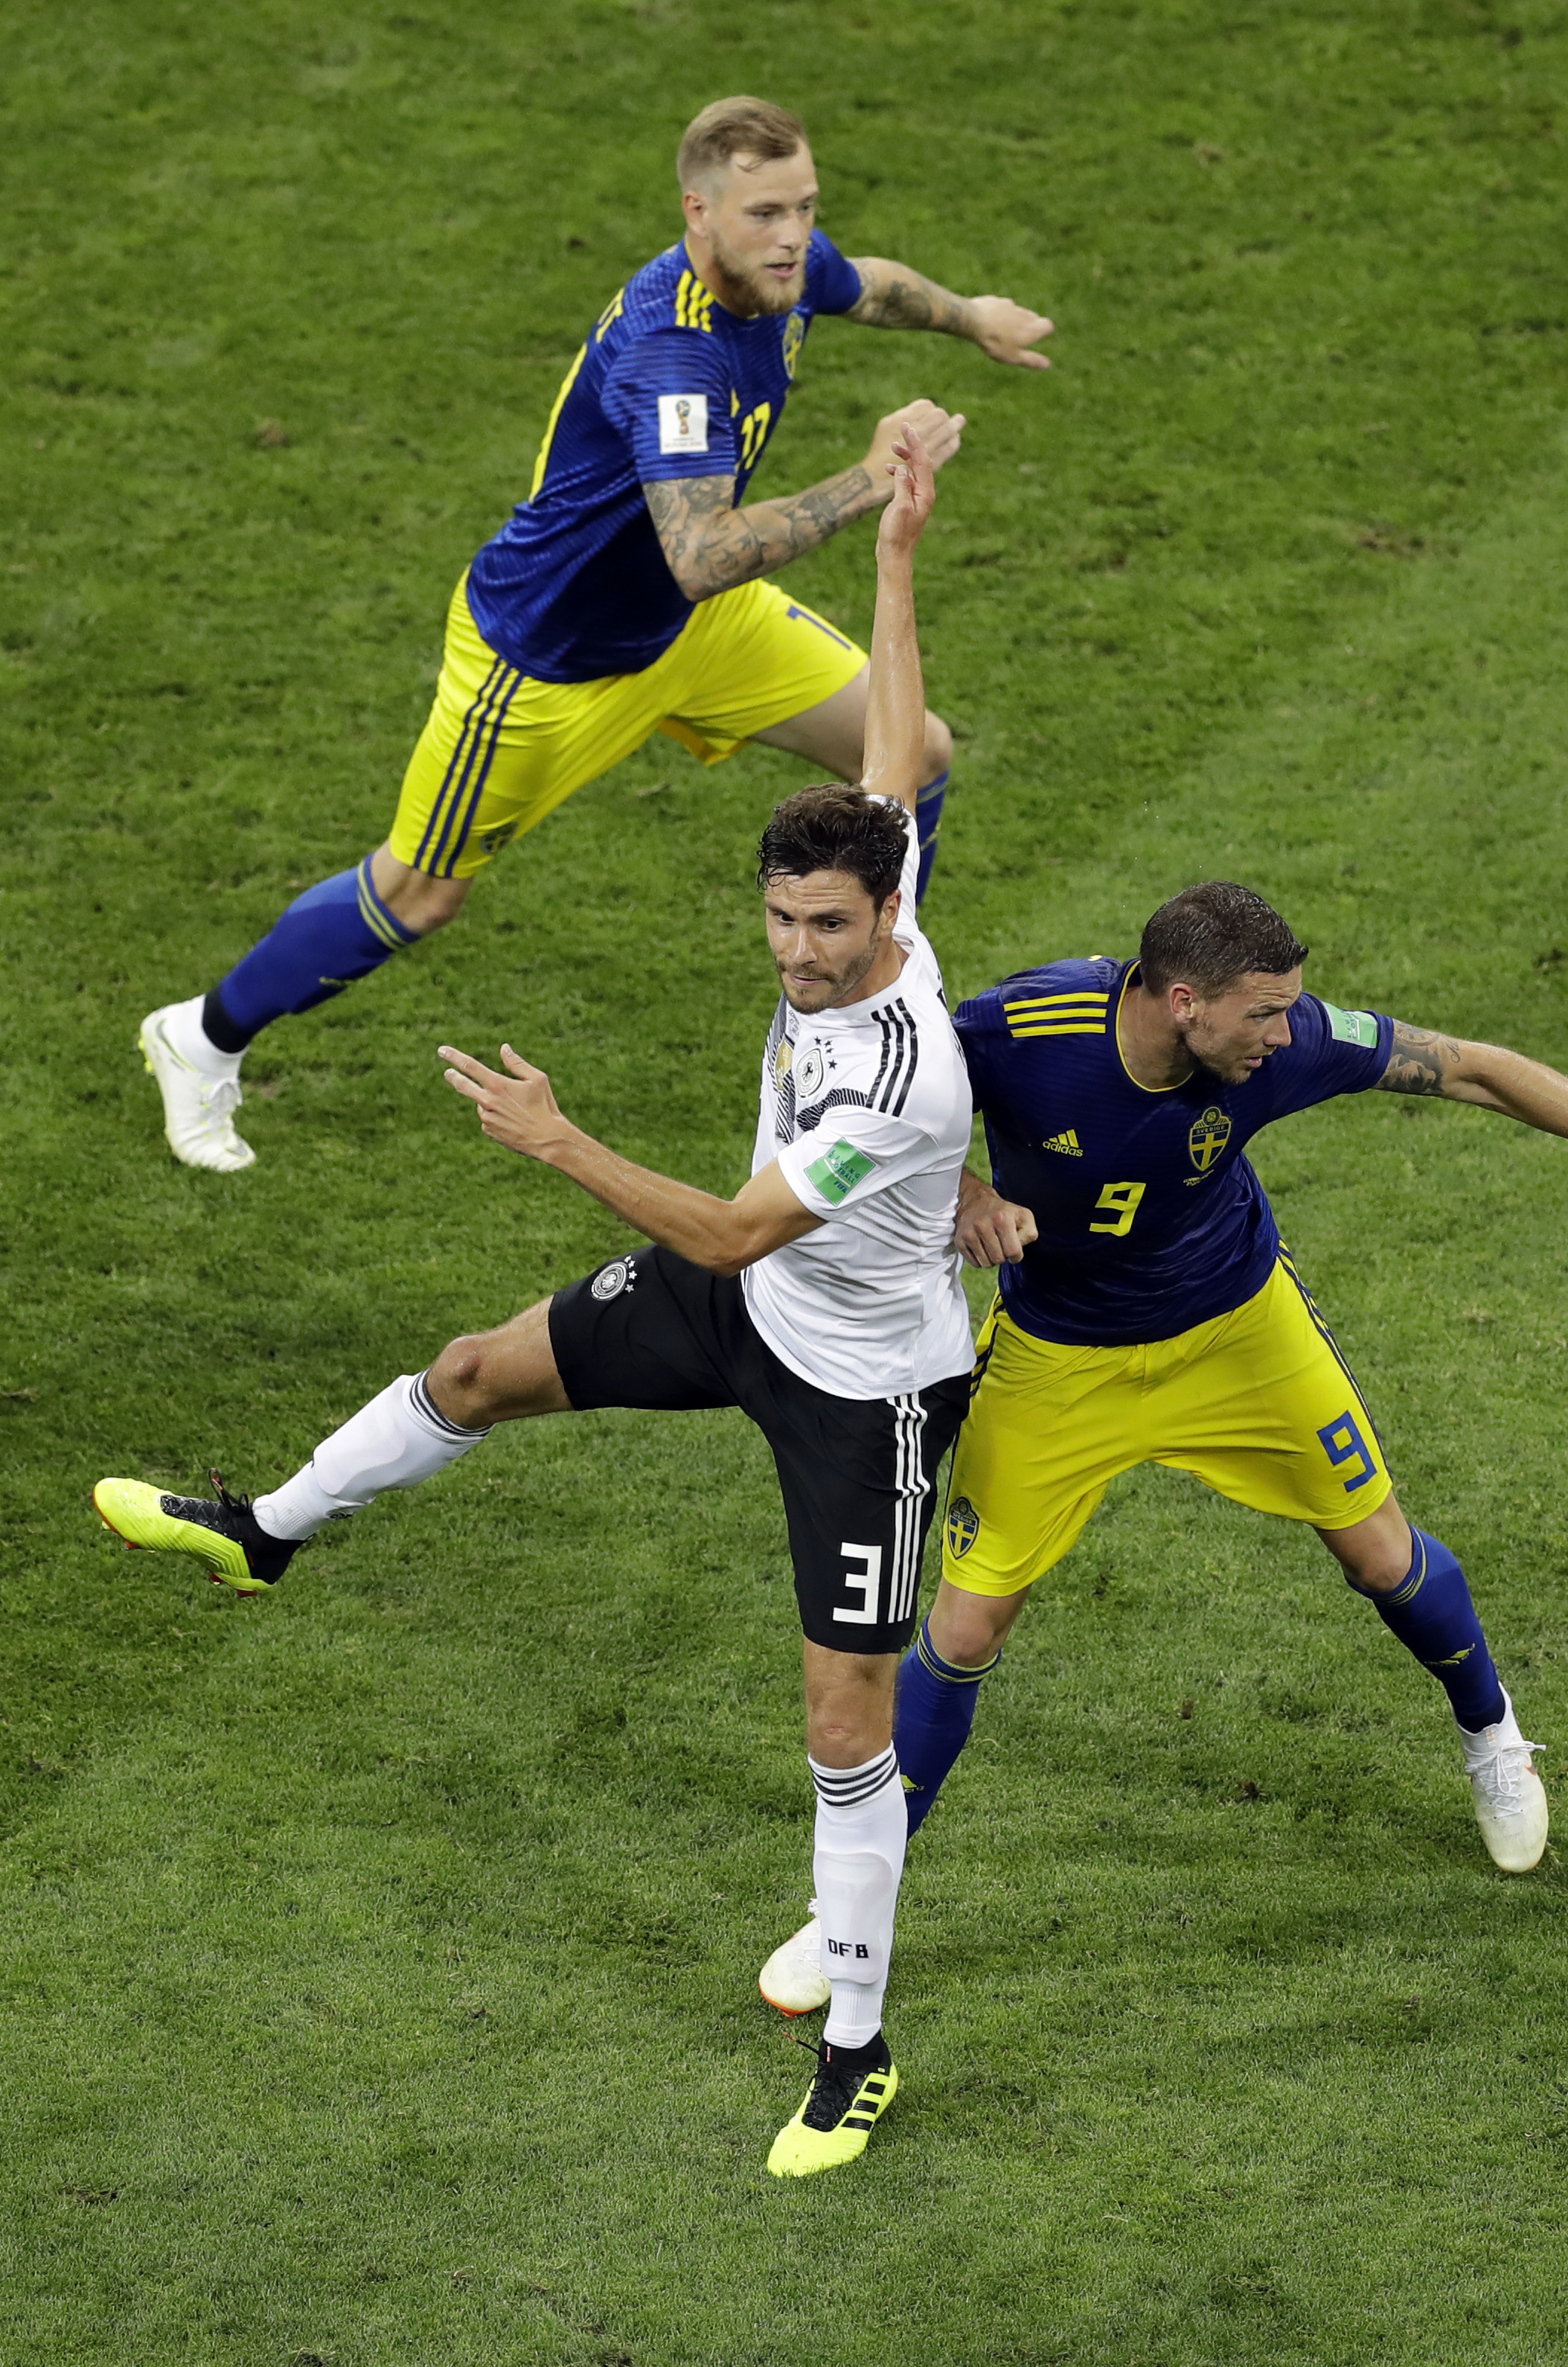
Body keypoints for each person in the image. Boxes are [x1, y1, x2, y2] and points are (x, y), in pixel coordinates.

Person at [98, 435, 973, 2178]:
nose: (799, 954)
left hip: (863, 1392)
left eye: (826, 928)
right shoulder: (879, 883)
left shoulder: (908, 1074)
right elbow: (891, 745)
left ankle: (859, 2052)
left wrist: (559, 1140)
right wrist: (895, 553)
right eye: (783, 921)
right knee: (475, 1371)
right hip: (754, 1306)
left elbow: (729, 1235)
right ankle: (268, 1529)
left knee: (841, 1726)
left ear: (885, 918)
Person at [757, 884, 1568, 2011]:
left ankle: (1495, 1736)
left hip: (1238, 1334)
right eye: (1262, 1014)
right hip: (1062, 1357)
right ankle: (855, 1911)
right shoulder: (1020, 1031)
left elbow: (1477, 1067)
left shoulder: (1286, 1046)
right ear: (1186, 1001)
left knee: (1381, 1555)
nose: (1284, 1033)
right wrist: (961, 1185)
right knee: (961, 1628)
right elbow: (885, 1094)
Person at [139, 92, 1052, 1175]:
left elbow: (873, 287)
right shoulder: (673, 356)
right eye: (765, 213)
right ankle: (198, 1037)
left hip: (696, 630)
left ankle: (866, 1007)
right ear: (697, 215)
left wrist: (971, 314)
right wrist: (868, 479)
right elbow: (701, 550)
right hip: (547, 663)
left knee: (916, 752)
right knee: (422, 892)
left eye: (804, 206)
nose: (794, 235)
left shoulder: (783, 271)